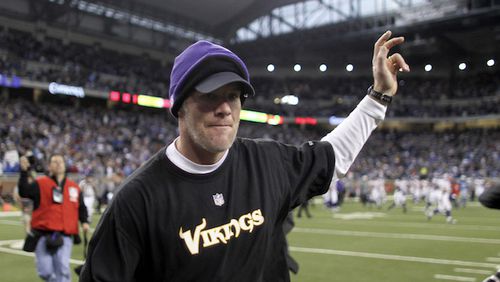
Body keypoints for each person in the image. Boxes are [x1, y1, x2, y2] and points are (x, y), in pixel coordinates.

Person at [80, 30, 410, 281]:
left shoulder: (268, 162)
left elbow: (333, 156)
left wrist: (378, 95)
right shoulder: (138, 200)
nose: (224, 108)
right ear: (180, 106)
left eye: (234, 96)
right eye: (209, 95)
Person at [18, 154, 89, 282]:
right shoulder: (40, 183)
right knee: (45, 271)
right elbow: (24, 191)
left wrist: (84, 221)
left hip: (65, 235)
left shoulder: (74, 187)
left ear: (64, 165)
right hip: (42, 234)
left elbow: (81, 207)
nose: (58, 164)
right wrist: (24, 171)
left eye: (60, 161)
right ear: (49, 166)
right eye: (54, 162)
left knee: (62, 269)